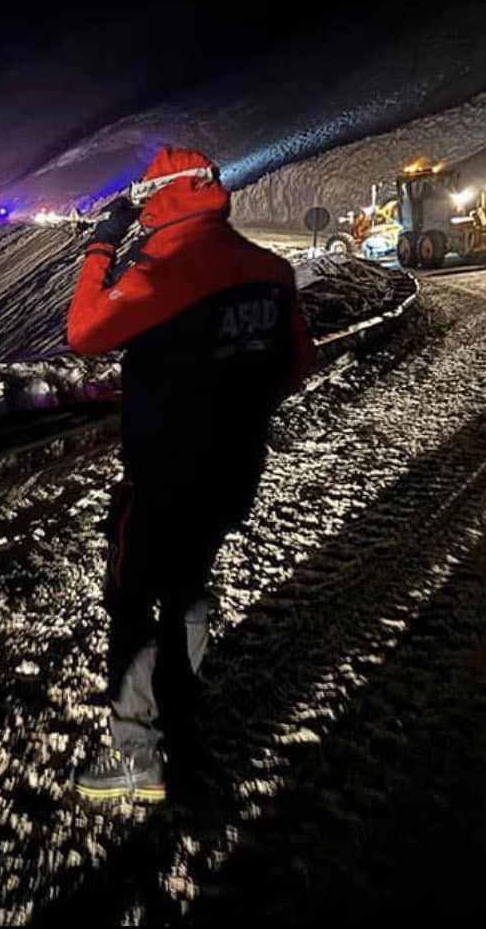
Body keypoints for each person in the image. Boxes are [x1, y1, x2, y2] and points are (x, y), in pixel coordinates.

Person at [66, 147, 315, 802]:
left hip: (160, 478)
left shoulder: (164, 267)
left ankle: (139, 757)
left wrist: (101, 246)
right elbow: (293, 366)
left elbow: (86, 332)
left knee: (131, 607)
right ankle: (188, 735)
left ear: (162, 197)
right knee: (189, 593)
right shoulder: (270, 270)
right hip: (234, 470)